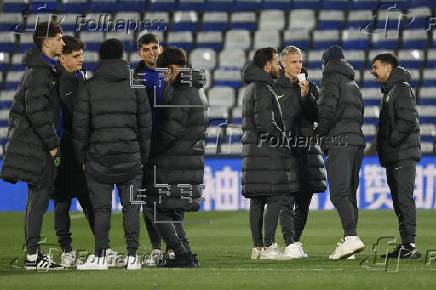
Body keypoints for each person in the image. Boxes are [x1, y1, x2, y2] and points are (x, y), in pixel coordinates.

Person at [73, 39, 152, 270]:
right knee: (131, 209)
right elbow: (145, 127)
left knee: (101, 210)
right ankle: (132, 257)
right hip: (130, 159)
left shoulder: (89, 86)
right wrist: (142, 158)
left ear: (101, 57)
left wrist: (83, 159)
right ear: (121, 57)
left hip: (98, 160)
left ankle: (100, 257)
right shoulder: (135, 84)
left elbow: (80, 128)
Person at [1, 21, 64, 270]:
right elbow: (36, 111)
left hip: (37, 144)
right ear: (46, 42)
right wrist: (52, 144)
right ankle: (33, 256)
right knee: (38, 199)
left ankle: (32, 254)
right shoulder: (40, 73)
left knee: (36, 199)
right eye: (59, 38)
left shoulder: (43, 70)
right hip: (39, 146)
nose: (62, 42)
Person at [142, 47, 207, 267]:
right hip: (187, 159)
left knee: (153, 205)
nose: (163, 78)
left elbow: (168, 133)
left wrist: (147, 154)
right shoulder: (195, 89)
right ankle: (186, 253)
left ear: (172, 69)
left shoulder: (181, 94)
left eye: (163, 73)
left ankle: (181, 253)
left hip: (173, 160)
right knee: (171, 209)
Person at [274, 46, 327, 259]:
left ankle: (295, 241)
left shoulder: (310, 87)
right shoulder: (274, 87)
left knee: (304, 198)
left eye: (300, 61)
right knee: (286, 198)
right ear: (282, 64)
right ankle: (289, 243)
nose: (298, 65)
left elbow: (318, 115)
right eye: (294, 62)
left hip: (306, 149)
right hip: (285, 149)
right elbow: (278, 117)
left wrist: (306, 96)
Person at [241, 47, 290, 260]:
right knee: (276, 195)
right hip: (268, 152)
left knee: (257, 199)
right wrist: (285, 141)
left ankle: (258, 248)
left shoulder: (251, 87)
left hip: (253, 152)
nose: (279, 66)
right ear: (267, 65)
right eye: (277, 62)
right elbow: (266, 125)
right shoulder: (263, 88)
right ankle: (269, 247)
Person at [371, 53, 421, 259]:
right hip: (396, 155)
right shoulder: (392, 90)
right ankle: (406, 244)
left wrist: (392, 141)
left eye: (375, 67)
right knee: (399, 201)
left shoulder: (401, 89)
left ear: (388, 67)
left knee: (403, 200)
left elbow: (408, 119)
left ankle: (409, 246)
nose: (372, 71)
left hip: (402, 154)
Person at [317, 45, 365, 260]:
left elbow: (326, 111)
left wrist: (320, 135)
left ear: (325, 63)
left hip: (340, 142)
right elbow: (360, 115)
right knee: (349, 193)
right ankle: (349, 240)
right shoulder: (353, 83)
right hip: (357, 142)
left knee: (338, 193)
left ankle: (352, 237)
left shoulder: (330, 79)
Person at [51, 35, 95, 268]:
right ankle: (67, 250)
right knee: (62, 202)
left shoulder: (79, 78)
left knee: (87, 201)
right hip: (64, 153)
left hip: (78, 152)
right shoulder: (57, 81)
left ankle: (101, 248)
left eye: (81, 55)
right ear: (62, 57)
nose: (81, 59)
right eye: (76, 56)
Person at [133, 33, 167, 266]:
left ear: (161, 49)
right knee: (148, 200)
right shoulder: (135, 78)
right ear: (140, 53)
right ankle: (157, 249)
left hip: (170, 147)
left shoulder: (172, 73)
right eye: (146, 49)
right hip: (146, 147)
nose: (151, 52)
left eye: (154, 47)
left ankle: (175, 247)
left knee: (170, 199)